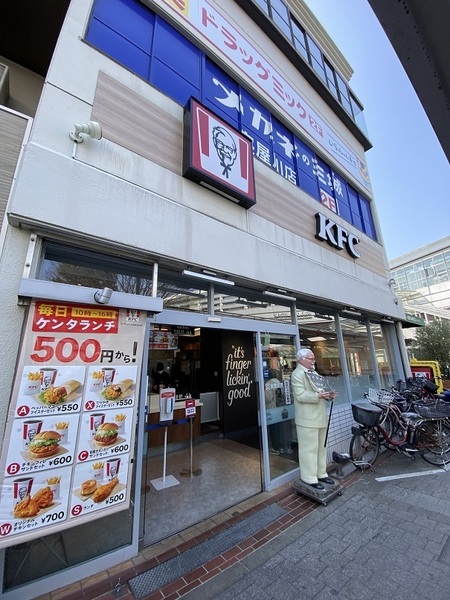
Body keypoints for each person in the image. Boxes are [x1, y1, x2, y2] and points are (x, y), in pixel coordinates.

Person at [291, 349, 337, 490]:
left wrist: (328, 395)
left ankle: (321, 473)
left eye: (313, 358)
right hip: (307, 419)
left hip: (320, 417)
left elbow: (321, 390)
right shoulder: (297, 374)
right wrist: (318, 396)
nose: (313, 361)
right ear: (301, 359)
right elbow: (300, 395)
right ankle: (309, 477)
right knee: (308, 449)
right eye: (310, 358)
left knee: (321, 447)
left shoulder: (314, 373)